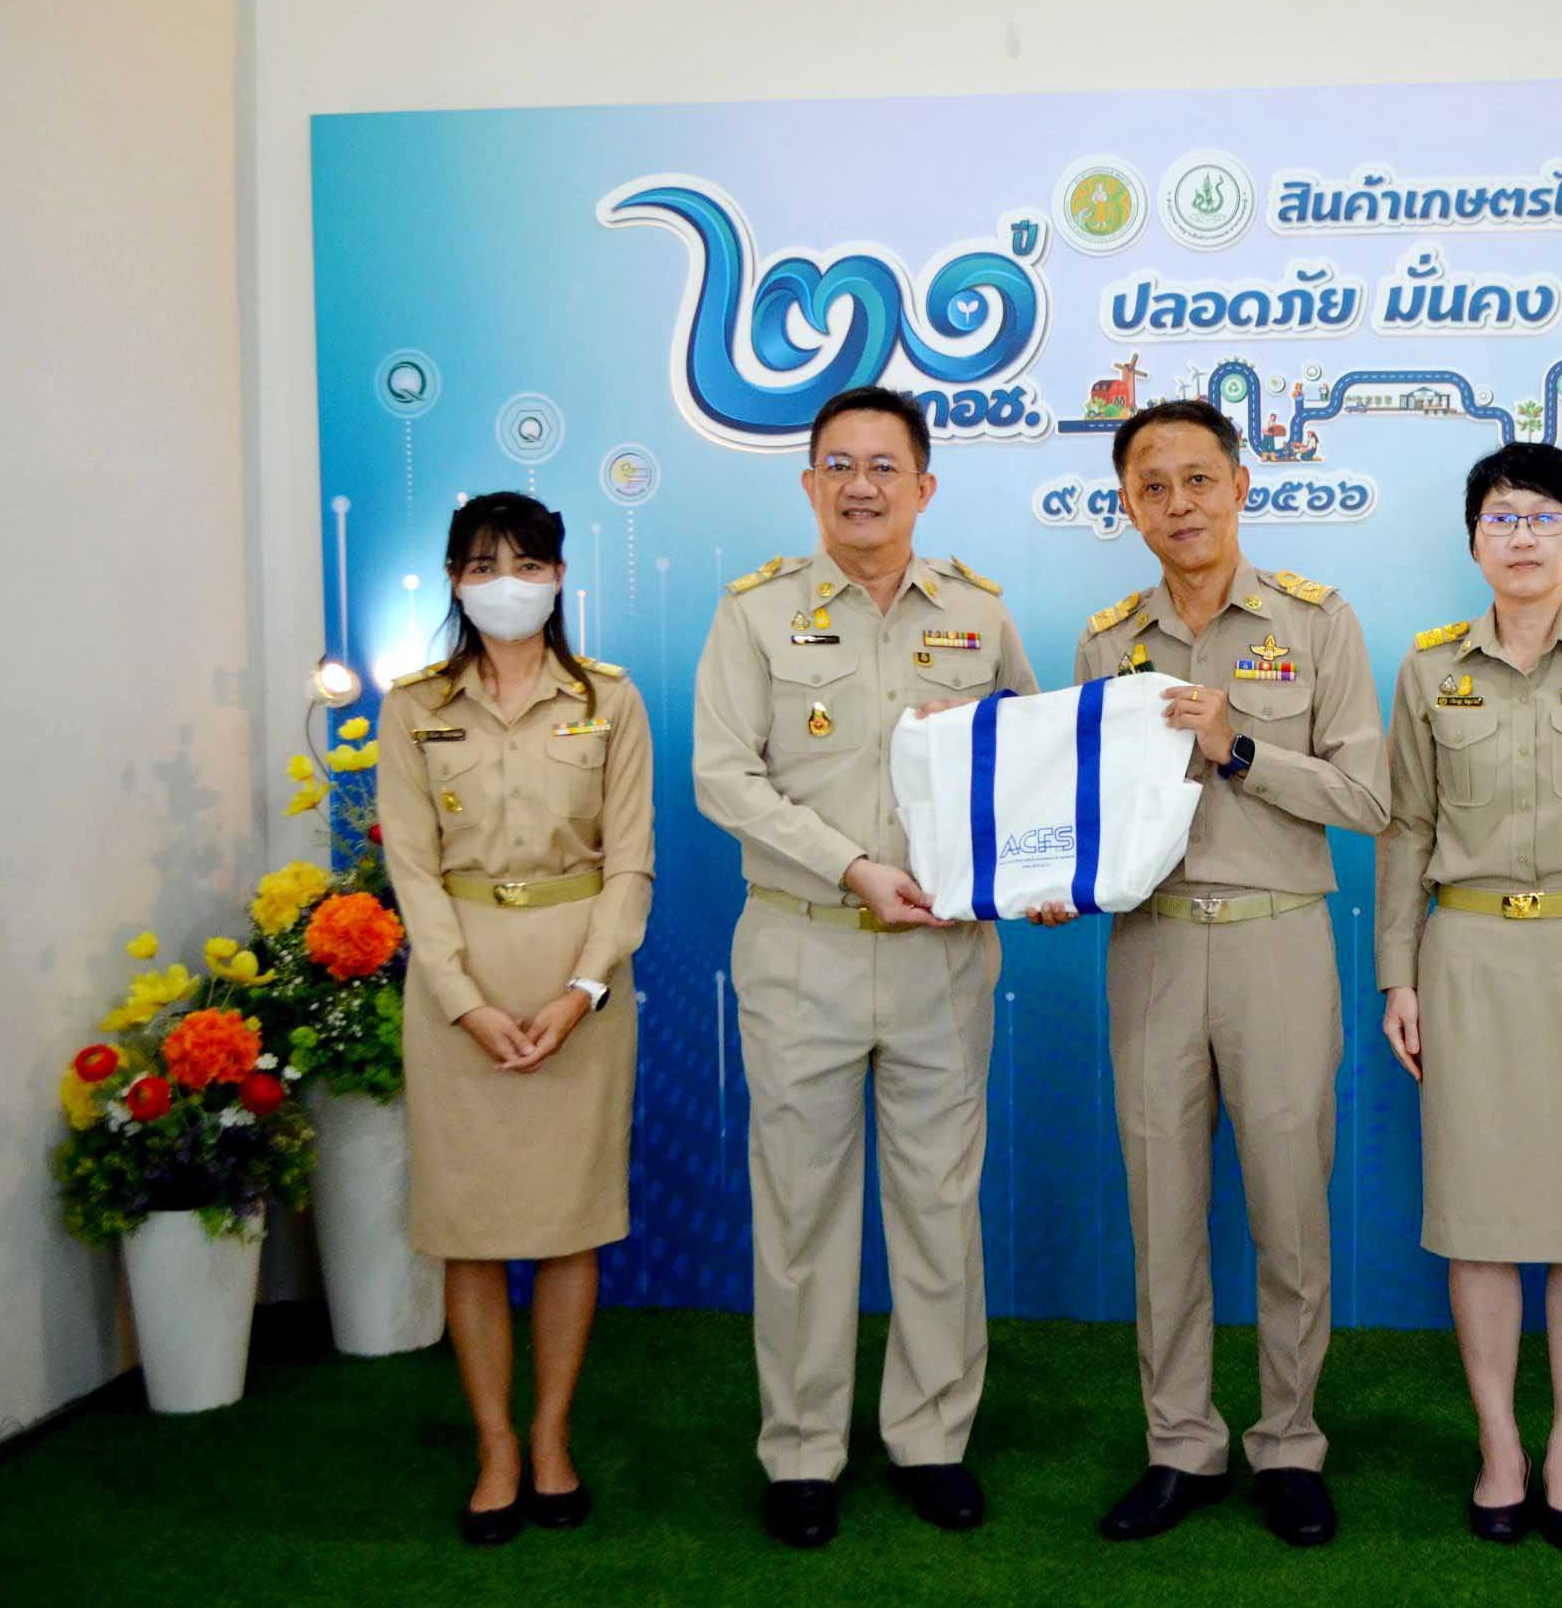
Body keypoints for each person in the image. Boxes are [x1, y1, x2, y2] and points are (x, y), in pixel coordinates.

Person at [692, 385, 1037, 1547]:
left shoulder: (978, 613)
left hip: (943, 955)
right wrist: (849, 866)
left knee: (939, 1204)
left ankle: (933, 1436)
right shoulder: (755, 612)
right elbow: (723, 776)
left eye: (884, 465)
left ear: (924, 485)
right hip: (804, 944)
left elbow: (1027, 761)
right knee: (800, 1209)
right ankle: (801, 1450)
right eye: (838, 465)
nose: (861, 486)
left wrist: (1042, 868)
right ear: (809, 484)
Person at [1057, 399, 1388, 1547]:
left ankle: (1289, 1442)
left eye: (1199, 479)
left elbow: (1370, 797)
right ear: (1128, 505)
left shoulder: (1315, 622)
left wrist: (1237, 746)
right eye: (1153, 486)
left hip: (1275, 937)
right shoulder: (1108, 642)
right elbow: (1088, 805)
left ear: (1242, 486)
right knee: (1162, 1209)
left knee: (1290, 1206)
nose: (1179, 503)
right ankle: (1180, 1444)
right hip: (1150, 941)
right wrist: (1051, 866)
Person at [1373, 443, 1562, 1551]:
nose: (1522, 536)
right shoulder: (1427, 669)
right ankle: (1501, 1445)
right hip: (1467, 958)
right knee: (1482, 1220)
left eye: (1545, 517)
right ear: (1473, 539)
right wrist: (1398, 973)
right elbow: (1406, 829)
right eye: (1502, 517)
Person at [377, 491, 653, 1546]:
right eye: (486, 565)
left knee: (570, 1221)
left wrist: (583, 991)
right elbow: (412, 869)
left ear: (559, 577)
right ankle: (494, 1445)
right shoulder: (415, 706)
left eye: (530, 565)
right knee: (474, 1228)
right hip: (461, 982)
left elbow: (630, 863)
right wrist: (463, 1001)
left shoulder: (608, 699)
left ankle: (550, 1438)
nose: (509, 584)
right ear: (456, 579)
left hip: (581, 978)